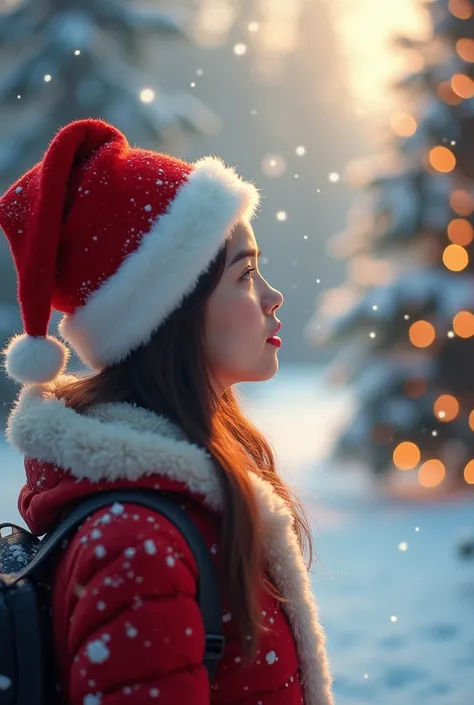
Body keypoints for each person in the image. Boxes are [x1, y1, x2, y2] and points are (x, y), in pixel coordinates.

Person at [0, 119, 334, 705]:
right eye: (246, 274)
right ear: (170, 314)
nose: (272, 296)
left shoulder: (180, 504)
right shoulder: (137, 543)